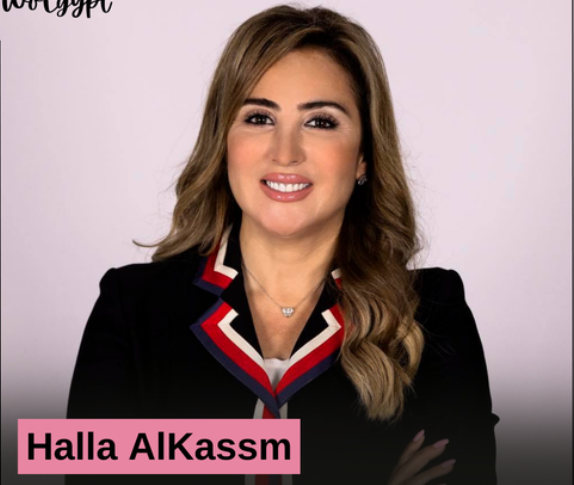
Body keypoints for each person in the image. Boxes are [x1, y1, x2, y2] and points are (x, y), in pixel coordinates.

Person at [67, 5, 499, 485]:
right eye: (258, 117)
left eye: (320, 122)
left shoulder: (431, 313)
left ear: (363, 156)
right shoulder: (132, 308)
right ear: (223, 142)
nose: (285, 152)